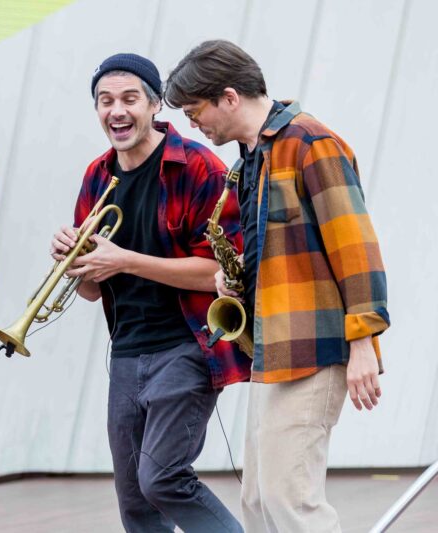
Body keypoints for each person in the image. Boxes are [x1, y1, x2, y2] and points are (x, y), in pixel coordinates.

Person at [165, 40, 390, 532]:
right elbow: (290, 245)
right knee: (258, 502)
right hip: (274, 349)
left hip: (314, 349)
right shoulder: (252, 157)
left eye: (194, 112)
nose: (192, 125)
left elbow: (356, 246)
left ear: (228, 97)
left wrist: (364, 343)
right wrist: (236, 274)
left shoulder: (309, 143)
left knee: (291, 502)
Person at [51, 53, 250, 532]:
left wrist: (123, 259)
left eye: (129, 99)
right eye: (105, 101)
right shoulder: (98, 175)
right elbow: (91, 292)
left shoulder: (199, 167)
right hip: (126, 351)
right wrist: (73, 261)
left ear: (155, 104)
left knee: (162, 479)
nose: (116, 111)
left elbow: (221, 272)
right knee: (135, 502)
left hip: (189, 344)